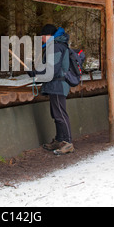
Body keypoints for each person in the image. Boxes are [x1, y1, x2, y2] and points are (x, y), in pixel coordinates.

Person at [27, 24, 74, 155]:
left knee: (60, 114)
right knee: (56, 114)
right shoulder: (54, 46)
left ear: (49, 35)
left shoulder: (56, 47)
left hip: (58, 85)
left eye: (43, 35)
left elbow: (53, 69)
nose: (41, 38)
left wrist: (36, 73)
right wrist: (36, 72)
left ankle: (68, 143)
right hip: (55, 85)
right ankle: (59, 140)